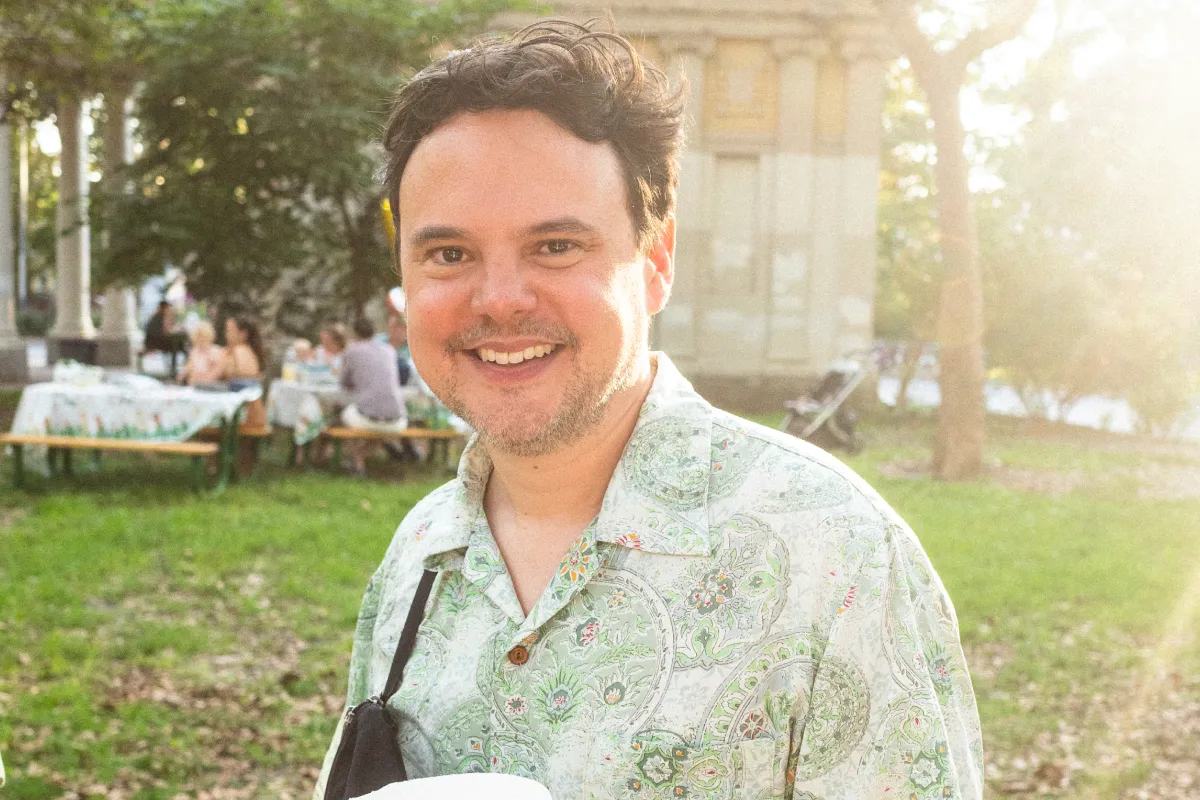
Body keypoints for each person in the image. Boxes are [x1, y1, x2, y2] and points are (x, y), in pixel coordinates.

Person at [315, 21, 982, 800]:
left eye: (556, 246)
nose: (497, 299)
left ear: (656, 261)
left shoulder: (838, 557)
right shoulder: (419, 552)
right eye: (449, 255)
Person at [338, 316, 408, 475]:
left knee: (345, 416)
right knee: (374, 425)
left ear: (354, 333)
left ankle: (355, 461)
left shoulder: (352, 351)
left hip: (368, 419)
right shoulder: (389, 350)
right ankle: (360, 457)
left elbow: (344, 383)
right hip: (398, 420)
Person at [143, 300, 188, 377]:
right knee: (177, 346)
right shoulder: (160, 317)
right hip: (155, 343)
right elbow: (166, 332)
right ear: (164, 308)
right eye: (168, 308)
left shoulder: (156, 316)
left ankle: (176, 369)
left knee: (179, 346)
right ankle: (174, 370)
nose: (169, 310)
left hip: (153, 342)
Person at [178, 321, 224, 386]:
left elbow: (216, 372)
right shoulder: (195, 351)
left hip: (208, 385)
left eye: (204, 338)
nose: (201, 341)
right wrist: (183, 374)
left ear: (210, 337)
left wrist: (200, 378)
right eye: (199, 338)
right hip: (193, 384)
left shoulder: (216, 351)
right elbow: (188, 366)